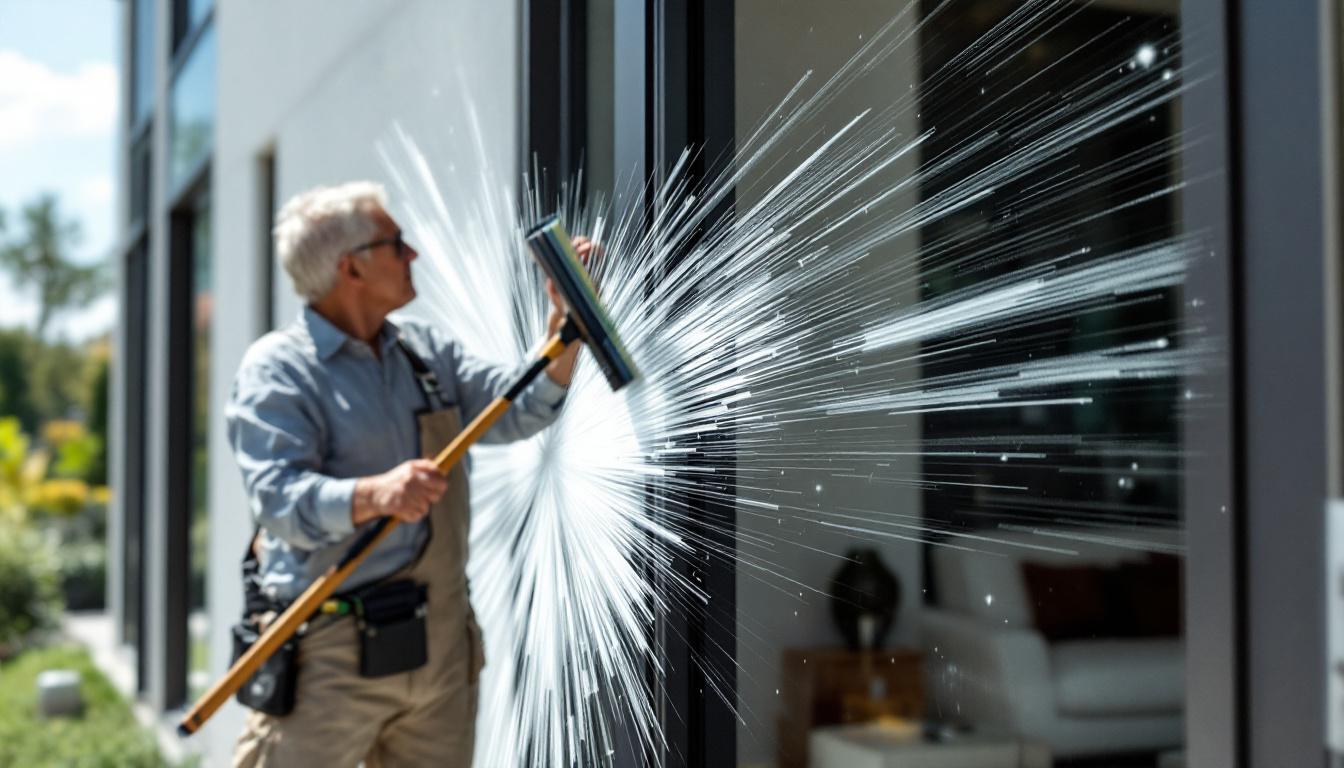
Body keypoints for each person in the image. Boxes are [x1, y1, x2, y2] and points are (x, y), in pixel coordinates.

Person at [227, 181, 587, 767]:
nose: (412, 254)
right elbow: (278, 502)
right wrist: (374, 494)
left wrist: (563, 334)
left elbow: (517, 408)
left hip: (439, 651)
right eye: (396, 244)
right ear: (351, 268)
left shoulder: (426, 354)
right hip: (330, 660)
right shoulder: (278, 371)